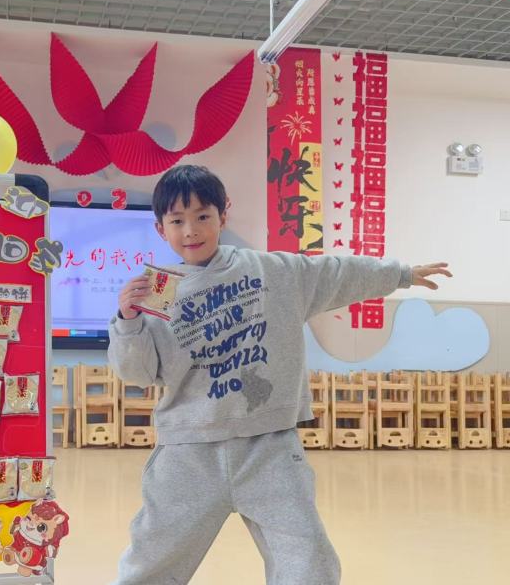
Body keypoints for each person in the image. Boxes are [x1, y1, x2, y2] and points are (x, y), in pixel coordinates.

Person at [108, 165, 451, 585]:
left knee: (307, 559)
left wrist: (400, 274)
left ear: (223, 215)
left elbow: (336, 272)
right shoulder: (158, 290)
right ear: (161, 229)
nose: (191, 230)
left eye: (203, 216)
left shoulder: (272, 271)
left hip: (269, 445)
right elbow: (139, 373)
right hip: (188, 451)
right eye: (177, 221)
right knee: (151, 562)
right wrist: (127, 322)